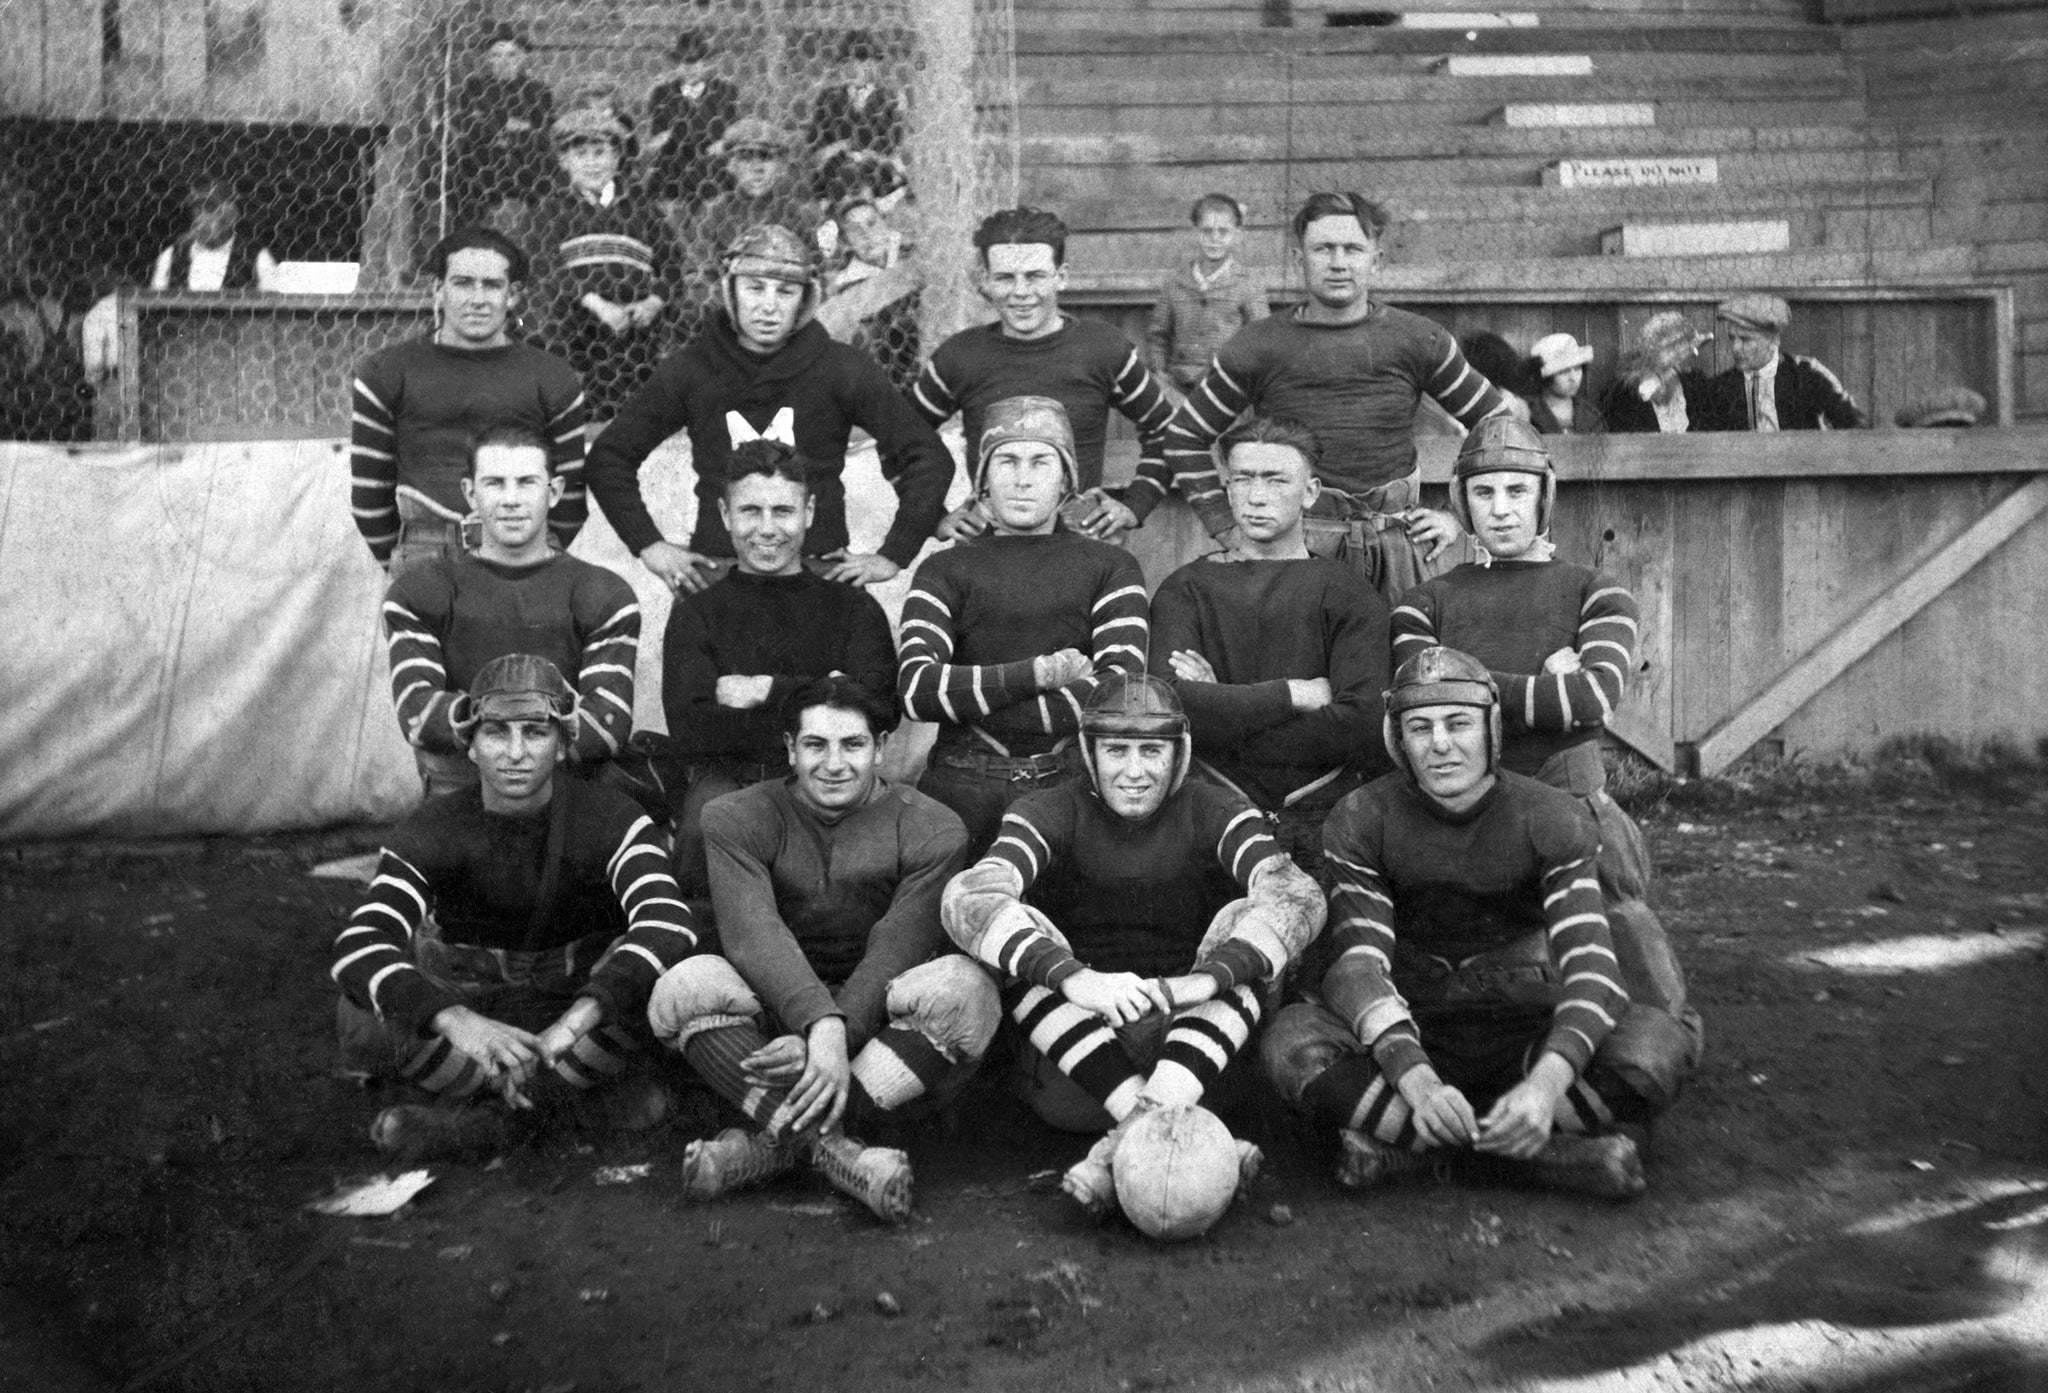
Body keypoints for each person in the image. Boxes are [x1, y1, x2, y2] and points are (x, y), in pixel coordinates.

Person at [1261, 646, 1666, 1200]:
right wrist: (1418, 1081)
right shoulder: (1361, 816)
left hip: (1526, 1028)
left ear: (1491, 729)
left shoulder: (1551, 814)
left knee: (1654, 1050)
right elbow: (1359, 964)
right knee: (1291, 1046)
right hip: (1415, 1028)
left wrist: (1546, 1087)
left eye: (1458, 724)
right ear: (1396, 740)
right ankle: (1539, 1156)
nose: (1441, 744)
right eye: (1419, 727)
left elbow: (1591, 968)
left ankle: (1424, 1147)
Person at [1389, 415, 1702, 1111]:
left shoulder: (1597, 591)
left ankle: (1572, 1108)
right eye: (1485, 492)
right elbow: (1418, 694)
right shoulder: (1424, 600)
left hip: (1574, 812)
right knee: (1447, 988)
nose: (1501, 508)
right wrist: (1543, 683)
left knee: (1649, 1017)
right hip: (1456, 818)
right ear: (1462, 502)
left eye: (1516, 491)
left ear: (1544, 497)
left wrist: (1470, 683)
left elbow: (1593, 696)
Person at [940, 673, 1325, 1217]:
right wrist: (1078, 979)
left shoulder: (1213, 807)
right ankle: (1146, 1122)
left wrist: (1205, 979)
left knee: (1250, 921)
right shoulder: (1048, 807)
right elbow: (966, 898)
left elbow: (1298, 894)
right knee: (1011, 928)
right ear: (1089, 753)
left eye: (1153, 750)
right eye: (1117, 750)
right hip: (1079, 1066)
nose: (1136, 771)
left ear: (1181, 752)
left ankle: (1116, 1146)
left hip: (1194, 1055)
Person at [646, 677, 997, 1223]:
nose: (834, 764)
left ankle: (767, 1145)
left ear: (881, 747)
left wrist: (835, 1031)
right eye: (815, 745)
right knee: (683, 985)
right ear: (790, 748)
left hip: (876, 1023)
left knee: (967, 990)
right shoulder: (734, 816)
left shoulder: (933, 826)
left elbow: (896, 950)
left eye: (853, 745)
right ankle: (836, 1152)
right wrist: (816, 1026)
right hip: (774, 1014)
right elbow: (754, 933)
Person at [332, 653, 699, 1162]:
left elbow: (668, 922)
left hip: (578, 1016)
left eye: (536, 732)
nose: (516, 752)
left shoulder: (612, 817)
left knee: (666, 983)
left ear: (564, 743)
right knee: (362, 1021)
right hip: (475, 1020)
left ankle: (486, 1124)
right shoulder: (431, 828)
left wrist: (575, 1021)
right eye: (496, 733)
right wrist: (456, 1020)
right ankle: (561, 1108)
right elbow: (359, 947)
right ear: (471, 745)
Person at [1160, 191, 1510, 604]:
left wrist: (1457, 517)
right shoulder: (1257, 344)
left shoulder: (1420, 339)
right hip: (1295, 551)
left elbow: (1502, 425)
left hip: (1398, 550)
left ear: (1376, 260)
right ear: (1299, 258)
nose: (1339, 262)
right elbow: (1184, 437)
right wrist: (1227, 526)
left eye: (1353, 249)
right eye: (1323, 249)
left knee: (1407, 662)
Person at [583, 223, 951, 597]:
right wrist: (649, 546)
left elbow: (927, 456)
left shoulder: (842, 368)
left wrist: (892, 555)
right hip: (719, 572)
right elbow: (610, 455)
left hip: (820, 570)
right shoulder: (692, 369)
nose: (769, 306)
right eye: (755, 288)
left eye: (786, 291)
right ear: (731, 292)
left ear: (806, 299)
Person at [897, 396, 1151, 856]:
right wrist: (1041, 674)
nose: (1022, 477)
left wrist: (966, 699)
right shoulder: (943, 568)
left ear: (1066, 480)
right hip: (960, 788)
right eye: (1006, 461)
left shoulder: (1112, 566)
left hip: (1070, 789)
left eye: (1040, 461)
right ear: (983, 481)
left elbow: (1120, 692)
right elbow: (916, 690)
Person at [1149, 417, 1390, 879]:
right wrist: (1292, 695)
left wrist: (1224, 706)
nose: (1256, 496)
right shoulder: (1186, 589)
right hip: (1212, 813)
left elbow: (1360, 723)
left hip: (1320, 815)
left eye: (1276, 479)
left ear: (1311, 491)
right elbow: (1170, 709)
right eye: (1243, 479)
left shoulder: (1348, 592)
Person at [660, 438, 897, 897]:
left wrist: (766, 690)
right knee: (701, 830)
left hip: (834, 776)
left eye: (783, 512)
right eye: (750, 511)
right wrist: (825, 690)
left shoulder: (852, 606)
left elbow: (882, 707)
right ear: (726, 516)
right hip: (733, 782)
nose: (767, 529)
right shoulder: (697, 612)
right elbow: (692, 730)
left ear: (808, 512)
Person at [381, 427, 639, 800]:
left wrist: (480, 715)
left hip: (572, 794)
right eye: (495, 483)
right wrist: (544, 715)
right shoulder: (420, 592)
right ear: (471, 493)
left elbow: (607, 729)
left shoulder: (604, 594)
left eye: (526, 483)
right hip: (460, 793)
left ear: (554, 491)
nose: (511, 500)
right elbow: (419, 716)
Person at [909, 206, 1178, 544]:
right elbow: (900, 442)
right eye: (1006, 278)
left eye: (1034, 276)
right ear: (986, 281)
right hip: (987, 552)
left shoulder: (1103, 349)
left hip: (1082, 550)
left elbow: (1168, 430)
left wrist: (1134, 506)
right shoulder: (959, 356)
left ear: (1060, 277)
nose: (1021, 292)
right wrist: (935, 515)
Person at [349, 226, 587, 571]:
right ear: (438, 290)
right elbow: (369, 498)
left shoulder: (553, 378)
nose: (477, 299)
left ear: (514, 295)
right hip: (424, 556)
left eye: (492, 285)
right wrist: (409, 567)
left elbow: (570, 501)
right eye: (462, 283)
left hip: (523, 557)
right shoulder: (385, 372)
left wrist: (534, 561)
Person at [530, 108, 680, 418]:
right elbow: (545, 265)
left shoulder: (641, 206)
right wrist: (597, 305)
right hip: (577, 321)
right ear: (564, 161)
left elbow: (673, 263)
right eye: (581, 153)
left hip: (636, 322)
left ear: (616, 158)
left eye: (600, 152)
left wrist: (653, 301)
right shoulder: (552, 208)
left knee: (638, 395)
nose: (592, 162)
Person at [682, 119, 824, 317]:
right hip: (732, 317)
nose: (757, 168)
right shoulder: (713, 213)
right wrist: (735, 309)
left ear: (781, 165)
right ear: (731, 165)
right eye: (746, 158)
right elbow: (696, 277)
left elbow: (823, 271)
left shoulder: (800, 213)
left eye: (766, 158)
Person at [1147, 193, 1269, 394]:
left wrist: (1240, 379)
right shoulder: (1174, 282)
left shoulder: (1247, 283)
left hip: (1226, 386)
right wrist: (1160, 374)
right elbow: (1157, 336)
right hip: (1176, 385)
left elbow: (1260, 339)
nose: (1215, 240)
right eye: (1207, 231)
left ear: (1237, 234)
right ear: (1195, 232)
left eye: (1223, 232)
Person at [1708, 294, 1869, 432]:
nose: (1735, 348)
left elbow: (1856, 425)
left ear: (1773, 341)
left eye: (1745, 339)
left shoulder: (1807, 375)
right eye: (1731, 338)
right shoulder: (1722, 386)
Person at [448, 23, 555, 226]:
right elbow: (471, 129)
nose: (504, 62)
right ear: (488, 58)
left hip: (525, 165)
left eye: (512, 55)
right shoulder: (474, 87)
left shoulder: (537, 91)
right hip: (483, 165)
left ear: (523, 57)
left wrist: (496, 126)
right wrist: (512, 126)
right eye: (497, 55)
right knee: (466, 170)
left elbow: (542, 135)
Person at [817, 194, 921, 395]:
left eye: (872, 224)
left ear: (886, 224)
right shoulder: (846, 287)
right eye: (856, 230)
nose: (867, 234)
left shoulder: (911, 257)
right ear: (846, 242)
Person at [641, 28, 739, 212]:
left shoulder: (724, 90)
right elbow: (655, 138)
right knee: (669, 213)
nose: (690, 68)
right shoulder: (662, 93)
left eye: (697, 61)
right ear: (676, 64)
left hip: (713, 168)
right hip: (674, 166)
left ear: (707, 63)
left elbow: (734, 132)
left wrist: (724, 143)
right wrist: (660, 141)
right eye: (684, 62)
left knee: (715, 210)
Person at [803, 30, 907, 204]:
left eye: (866, 60)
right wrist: (841, 147)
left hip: (877, 184)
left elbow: (893, 150)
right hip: (835, 182)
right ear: (842, 65)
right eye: (849, 61)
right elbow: (815, 150)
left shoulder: (890, 100)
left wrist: (868, 156)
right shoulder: (828, 98)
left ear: (875, 64)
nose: (858, 67)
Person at [1600, 311, 1722, 435]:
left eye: (1686, 349)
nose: (1685, 356)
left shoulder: (1695, 384)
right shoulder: (1622, 394)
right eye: (1675, 349)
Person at [149, 176, 276, 292]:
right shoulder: (171, 256)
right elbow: (153, 310)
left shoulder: (257, 257)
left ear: (231, 215)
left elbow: (273, 311)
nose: (200, 217)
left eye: (209, 208)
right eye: (196, 209)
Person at [1523, 332, 1606, 436]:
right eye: (1563, 372)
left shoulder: (1591, 415)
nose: (1573, 378)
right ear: (1546, 377)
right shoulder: (1525, 411)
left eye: (1577, 369)